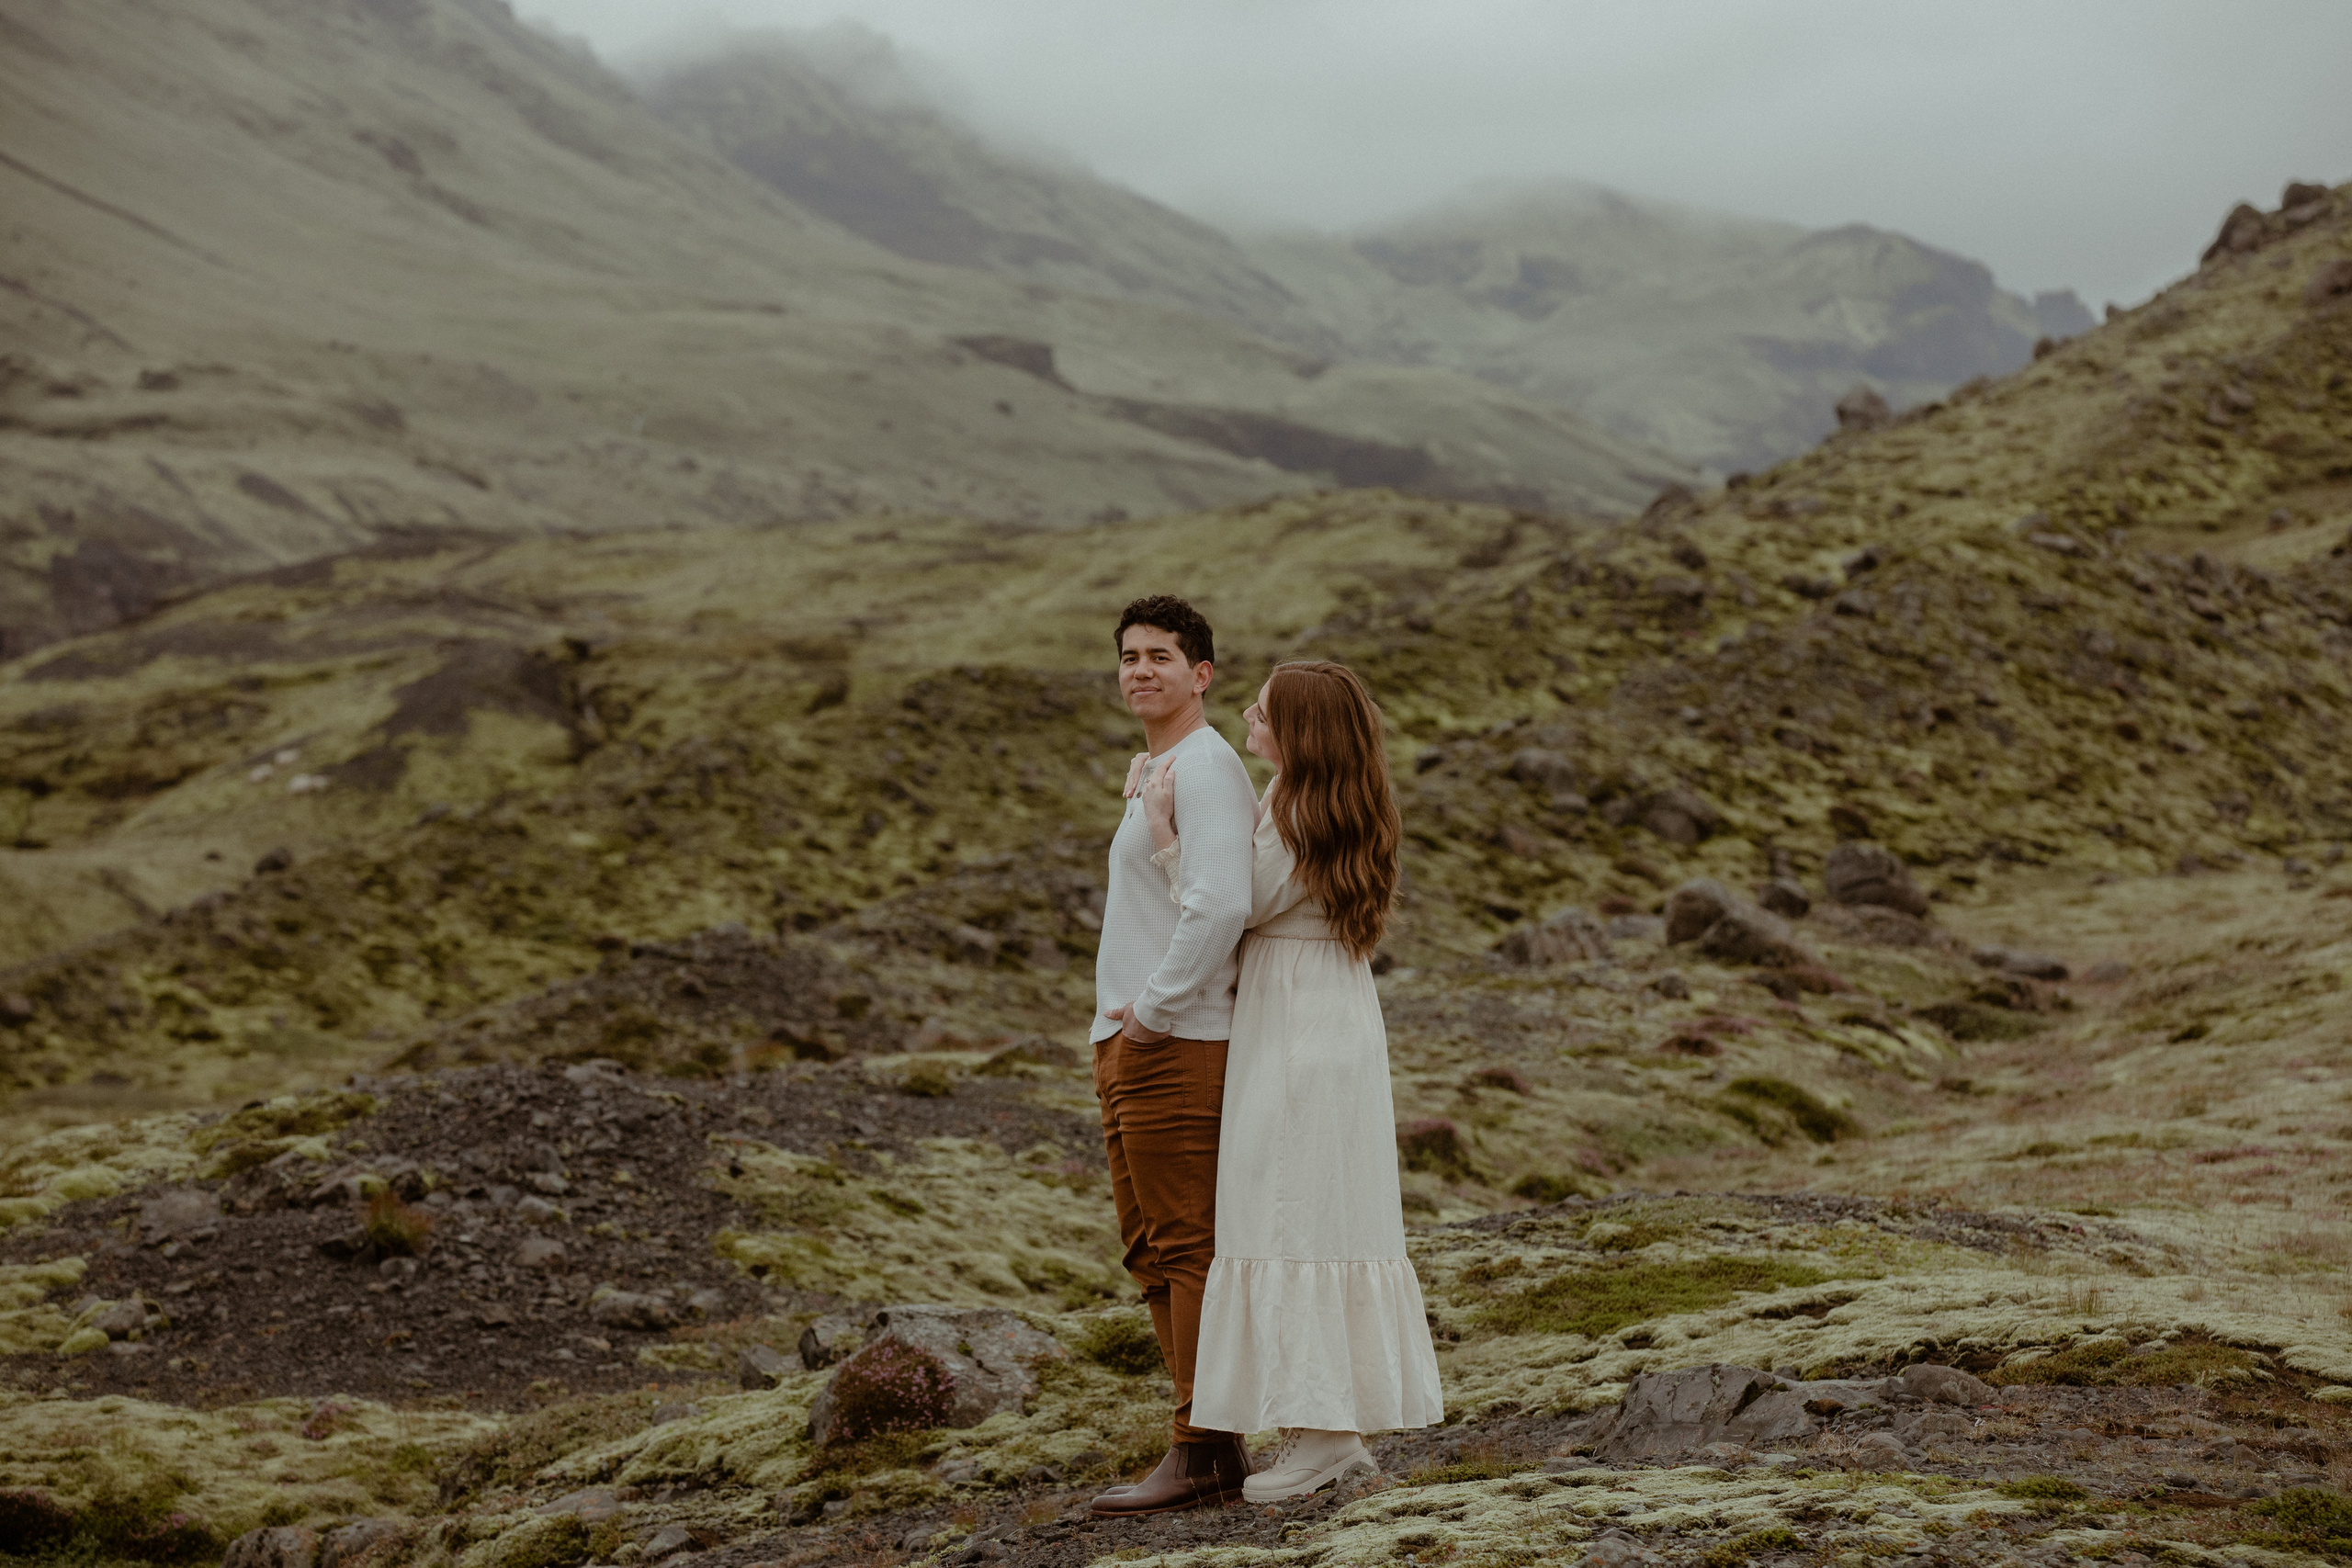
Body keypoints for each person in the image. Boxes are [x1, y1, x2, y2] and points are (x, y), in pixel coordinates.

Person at [1141, 659, 1444, 1502]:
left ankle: (1326, 1436)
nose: (1246, 713)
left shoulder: (1289, 803)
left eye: (1264, 710)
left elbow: (1237, 901)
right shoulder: (1350, 801)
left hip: (1292, 1019)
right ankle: (1324, 1427)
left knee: (1286, 1207)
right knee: (1323, 1205)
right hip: (1336, 1009)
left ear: (1299, 730)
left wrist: (1167, 839)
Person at [1085, 594, 1261, 1518]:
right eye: (1128, 656)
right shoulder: (1163, 765)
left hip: (1175, 1042)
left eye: (1159, 656)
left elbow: (1220, 905)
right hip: (1131, 1039)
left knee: (1186, 1246)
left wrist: (1152, 1016)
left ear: (1201, 675)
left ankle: (1200, 1448)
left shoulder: (1206, 768)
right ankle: (1211, 1444)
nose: (1139, 669)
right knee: (1150, 1249)